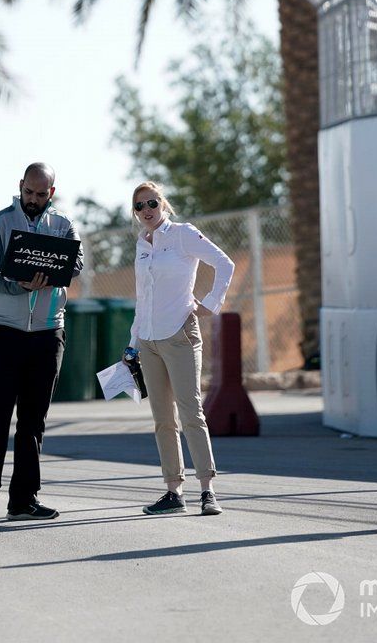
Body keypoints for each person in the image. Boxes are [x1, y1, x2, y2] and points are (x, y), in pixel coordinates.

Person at [0, 163, 83, 524]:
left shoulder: (62, 224)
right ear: (21, 187)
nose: (33, 200)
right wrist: (19, 285)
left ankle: (23, 500)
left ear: (52, 192)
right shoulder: (0, 222)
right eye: (28, 193)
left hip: (47, 333)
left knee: (33, 420)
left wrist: (56, 270)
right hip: (3, 330)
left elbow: (75, 263)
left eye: (41, 194)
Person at [126, 181, 234, 516]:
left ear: (164, 204)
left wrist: (211, 303)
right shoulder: (142, 244)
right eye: (140, 207)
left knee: (191, 412)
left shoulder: (183, 234)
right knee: (162, 419)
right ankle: (173, 491)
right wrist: (132, 344)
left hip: (180, 334)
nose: (147, 211)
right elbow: (143, 298)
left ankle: (208, 490)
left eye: (152, 203)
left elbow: (224, 264)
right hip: (148, 339)